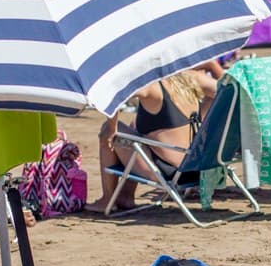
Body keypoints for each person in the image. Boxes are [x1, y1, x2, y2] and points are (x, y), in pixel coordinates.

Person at [86, 70, 214, 212]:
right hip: (194, 168)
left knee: (110, 132)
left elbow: (115, 94)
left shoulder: (152, 87)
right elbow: (226, 91)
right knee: (135, 127)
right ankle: (125, 196)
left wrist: (111, 126)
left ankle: (107, 200)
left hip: (167, 172)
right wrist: (203, 120)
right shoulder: (192, 79)